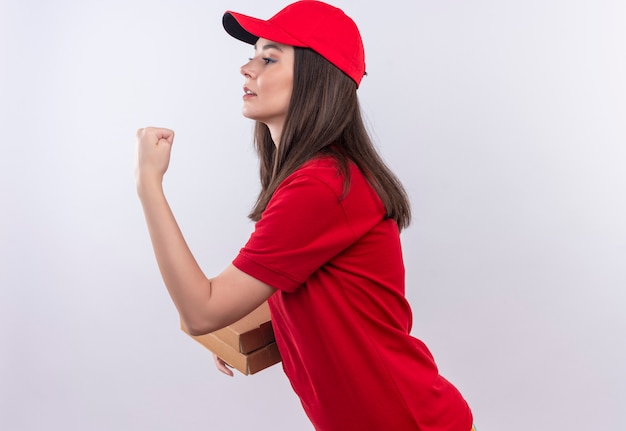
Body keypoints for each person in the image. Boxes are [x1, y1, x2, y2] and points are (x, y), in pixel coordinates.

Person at [135, 1, 474, 430]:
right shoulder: (316, 178)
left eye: (269, 58)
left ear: (317, 79)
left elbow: (201, 312)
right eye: (252, 54)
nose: (247, 68)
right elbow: (316, 293)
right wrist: (233, 328)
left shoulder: (322, 185)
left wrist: (149, 184)